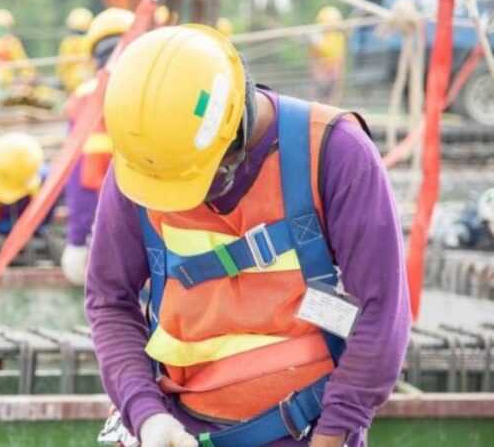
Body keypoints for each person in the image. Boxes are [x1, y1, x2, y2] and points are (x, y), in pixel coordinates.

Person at [88, 26, 410, 446]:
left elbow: (382, 312)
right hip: (175, 429)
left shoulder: (335, 153)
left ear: (236, 132)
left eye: (200, 181)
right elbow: (109, 299)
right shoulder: (152, 166)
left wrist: (335, 430)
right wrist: (146, 414)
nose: (187, 202)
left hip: (310, 430)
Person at [60, 8, 134, 286]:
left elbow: (77, 175)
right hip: (149, 222)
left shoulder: (84, 97)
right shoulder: (153, 94)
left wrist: (77, 238)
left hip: (103, 218)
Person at [309, 6, 347, 104]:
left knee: (332, 96)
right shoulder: (318, 37)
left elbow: (340, 58)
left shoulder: (339, 37)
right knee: (320, 95)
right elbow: (314, 57)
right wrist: (317, 71)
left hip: (334, 71)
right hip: (322, 72)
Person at [57, 7, 95, 93]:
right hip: (86, 84)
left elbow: (61, 68)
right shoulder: (91, 41)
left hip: (76, 85)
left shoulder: (68, 41)